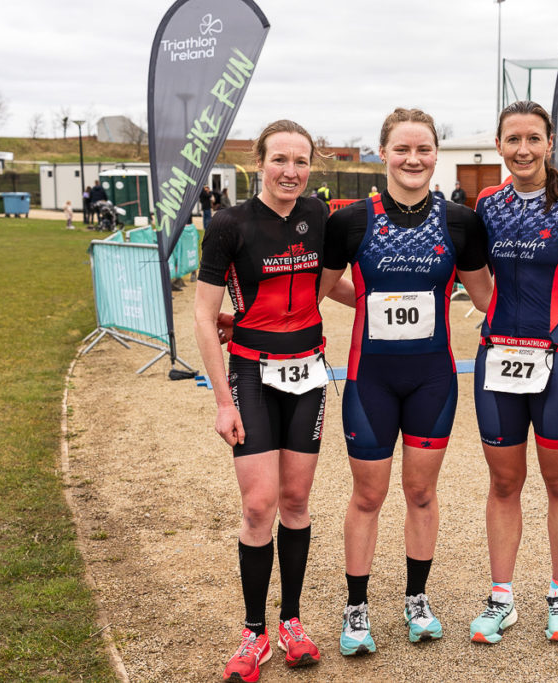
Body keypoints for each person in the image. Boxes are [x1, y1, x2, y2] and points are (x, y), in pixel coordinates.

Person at [319, 107, 493, 655]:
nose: (413, 159)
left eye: (423, 149)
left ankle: (417, 599)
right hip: (370, 379)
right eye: (402, 149)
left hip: (431, 381)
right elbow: (323, 288)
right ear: (383, 154)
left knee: (420, 492)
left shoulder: (461, 222)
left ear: (436, 154)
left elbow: (488, 299)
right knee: (368, 495)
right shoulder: (349, 221)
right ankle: (357, 607)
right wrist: (372, 301)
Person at [194, 119, 353, 682]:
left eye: (301, 160)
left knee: (295, 500)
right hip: (252, 374)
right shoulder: (229, 223)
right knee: (258, 506)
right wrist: (222, 401)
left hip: (308, 373)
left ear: (313, 165)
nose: (291, 171)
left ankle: (292, 622)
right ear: (258, 162)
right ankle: (254, 631)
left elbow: (329, 284)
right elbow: (201, 312)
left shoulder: (319, 217)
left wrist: (380, 306)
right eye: (280, 159)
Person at [469, 101, 558, 645]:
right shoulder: (486, 203)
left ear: (550, 143)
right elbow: (466, 269)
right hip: (498, 357)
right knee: (504, 481)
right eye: (512, 140)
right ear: (499, 144)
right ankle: (501, 598)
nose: (522, 149)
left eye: (533, 139)